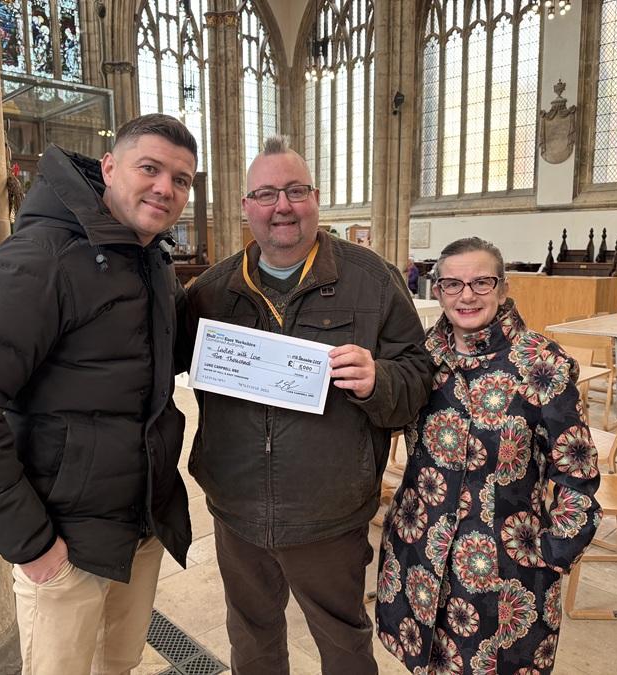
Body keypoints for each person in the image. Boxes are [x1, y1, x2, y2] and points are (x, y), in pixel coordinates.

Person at [0, 114, 196, 674]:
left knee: (118, 667)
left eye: (182, 179)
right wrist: (34, 547)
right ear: (110, 167)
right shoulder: (38, 260)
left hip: (138, 532)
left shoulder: (153, 263)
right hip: (65, 547)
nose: (166, 188)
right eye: (150, 168)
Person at [184, 136, 432, 674]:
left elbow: (418, 380)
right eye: (267, 193)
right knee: (251, 639)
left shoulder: (372, 281)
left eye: (296, 191)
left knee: (343, 646)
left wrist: (377, 380)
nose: (283, 206)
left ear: (316, 199)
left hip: (330, 511)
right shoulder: (210, 291)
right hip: (236, 508)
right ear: (246, 206)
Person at [375, 237, 601, 674]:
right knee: (424, 661)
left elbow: (577, 474)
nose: (467, 295)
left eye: (481, 282)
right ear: (436, 290)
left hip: (503, 567)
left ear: (502, 288)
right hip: (420, 550)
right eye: (453, 284)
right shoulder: (422, 357)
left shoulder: (541, 363)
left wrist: (553, 555)